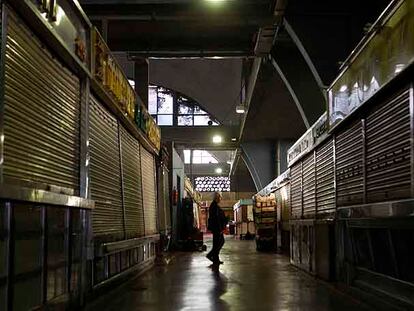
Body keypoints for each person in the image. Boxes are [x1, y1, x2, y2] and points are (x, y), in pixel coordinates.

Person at [206, 192, 227, 265]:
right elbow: (216, 218)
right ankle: (211, 255)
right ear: (217, 198)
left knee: (218, 243)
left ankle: (215, 258)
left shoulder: (214, 205)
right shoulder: (214, 206)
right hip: (217, 228)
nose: (221, 199)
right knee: (219, 242)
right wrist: (220, 229)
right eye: (220, 197)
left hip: (217, 228)